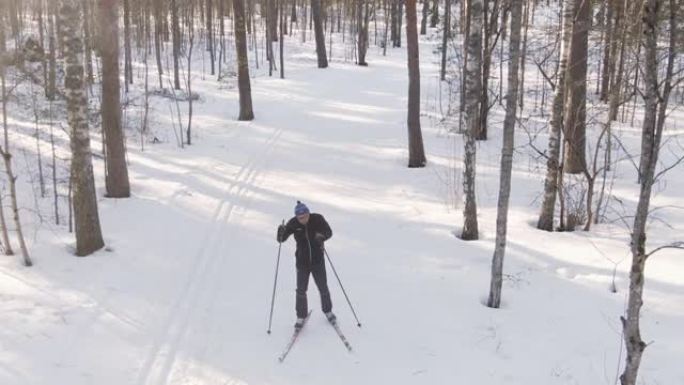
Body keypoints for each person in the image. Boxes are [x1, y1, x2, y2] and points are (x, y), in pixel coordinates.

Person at [277, 201, 336, 329]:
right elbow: (281, 239)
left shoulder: (318, 219)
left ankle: (328, 311)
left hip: (317, 261)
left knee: (323, 287)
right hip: (302, 262)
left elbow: (329, 231)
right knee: (301, 290)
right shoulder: (293, 223)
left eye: (304, 217)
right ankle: (301, 316)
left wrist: (322, 236)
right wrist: (281, 231)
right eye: (300, 218)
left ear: (308, 213)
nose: (302, 220)